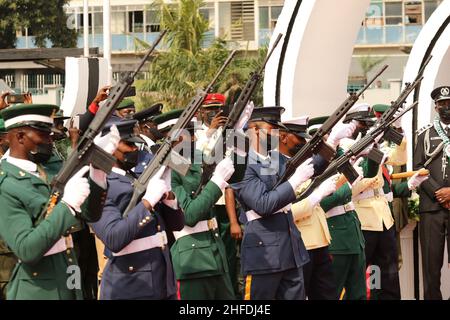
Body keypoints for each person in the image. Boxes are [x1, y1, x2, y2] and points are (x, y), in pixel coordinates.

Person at [0, 103, 119, 300]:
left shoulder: (45, 173)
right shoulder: (6, 184)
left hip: (67, 277)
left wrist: (97, 172)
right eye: (42, 135)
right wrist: (67, 205)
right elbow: (27, 249)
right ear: (20, 137)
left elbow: (90, 214)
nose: (50, 141)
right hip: (36, 290)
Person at [90, 118, 184, 300]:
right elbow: (114, 238)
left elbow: (178, 224)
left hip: (162, 280)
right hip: (131, 285)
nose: (135, 150)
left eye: (135, 145)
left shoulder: (135, 178)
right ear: (110, 147)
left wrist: (169, 196)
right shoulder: (99, 187)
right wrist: (148, 201)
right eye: (129, 145)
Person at [232, 107, 316, 300]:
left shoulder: (272, 160)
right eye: (271, 128)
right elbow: (263, 204)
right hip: (265, 255)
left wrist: (330, 145)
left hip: (291, 249)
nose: (276, 134)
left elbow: (313, 167)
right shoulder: (241, 164)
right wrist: (294, 183)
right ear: (253, 129)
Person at [170, 122, 236, 300]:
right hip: (192, 258)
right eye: (179, 137)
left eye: (190, 135)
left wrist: (236, 134)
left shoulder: (199, 158)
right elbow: (189, 215)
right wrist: (217, 182)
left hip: (216, 250)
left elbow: (237, 175)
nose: (186, 140)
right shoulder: (169, 170)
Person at [280, 116, 338, 300]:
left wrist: (334, 143)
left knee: (326, 295)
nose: (303, 142)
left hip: (319, 240)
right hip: (298, 243)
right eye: (299, 137)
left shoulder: (303, 163)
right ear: (284, 137)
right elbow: (284, 211)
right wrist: (316, 197)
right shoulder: (274, 167)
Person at [413, 85, 450, 300]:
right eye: (442, 104)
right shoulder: (425, 135)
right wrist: (439, 193)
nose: (446, 107)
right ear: (436, 107)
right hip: (432, 209)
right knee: (431, 268)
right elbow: (418, 168)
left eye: (449, 103)